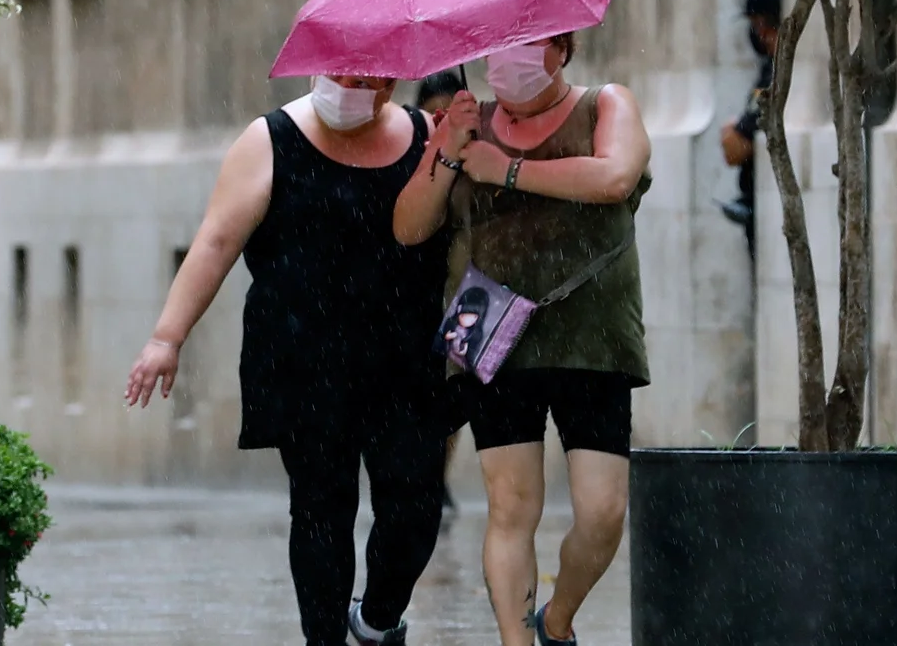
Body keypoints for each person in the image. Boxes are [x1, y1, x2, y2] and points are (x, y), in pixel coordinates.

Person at [125, 75, 454, 646]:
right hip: (305, 358)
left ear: (390, 79)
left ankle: (375, 620)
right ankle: (323, 639)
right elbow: (217, 241)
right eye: (339, 72)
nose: (350, 85)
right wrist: (166, 336)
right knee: (321, 512)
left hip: (404, 361)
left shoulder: (427, 133)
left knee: (414, 510)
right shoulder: (270, 138)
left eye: (364, 76)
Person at [394, 33, 652, 646]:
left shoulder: (605, 104)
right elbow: (409, 227)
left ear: (563, 49)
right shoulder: (466, 123)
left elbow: (615, 177)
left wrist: (506, 169)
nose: (505, 61)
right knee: (510, 508)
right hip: (494, 337)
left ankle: (556, 618)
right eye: (497, 48)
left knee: (602, 512)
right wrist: (449, 153)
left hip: (594, 337)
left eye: (527, 44)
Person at [410, 69, 468, 526]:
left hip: (465, 293)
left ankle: (438, 476)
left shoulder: (477, 146)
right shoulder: (411, 148)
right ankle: (422, 475)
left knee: (455, 394)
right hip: (418, 288)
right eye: (435, 112)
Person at [719, 0, 781, 255]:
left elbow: (736, 147)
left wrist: (731, 130)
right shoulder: (769, 69)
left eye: (764, 25)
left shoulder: (777, 76)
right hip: (758, 206)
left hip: (772, 209)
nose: (760, 35)